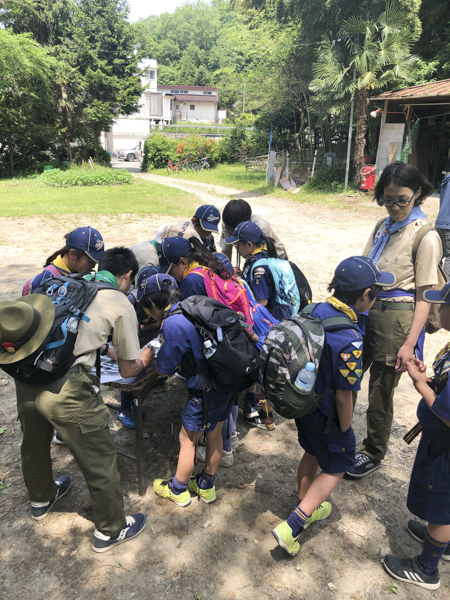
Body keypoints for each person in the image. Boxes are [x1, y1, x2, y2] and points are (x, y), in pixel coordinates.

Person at [0, 247, 153, 553]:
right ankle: (111, 529)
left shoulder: (66, 281)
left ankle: (41, 498)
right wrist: (145, 358)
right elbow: (127, 368)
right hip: (67, 388)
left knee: (34, 441)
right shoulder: (119, 301)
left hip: (27, 375)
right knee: (98, 453)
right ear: (127, 276)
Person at [272, 256, 395, 556]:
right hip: (327, 414)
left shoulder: (315, 309)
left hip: (303, 403)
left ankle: (306, 501)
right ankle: (292, 528)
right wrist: (345, 429)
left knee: (312, 451)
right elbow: (344, 396)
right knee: (337, 467)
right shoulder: (350, 338)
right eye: (375, 293)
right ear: (365, 295)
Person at [347, 162, 443, 479]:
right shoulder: (383, 226)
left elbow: (424, 298)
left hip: (398, 319)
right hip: (368, 312)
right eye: (388, 199)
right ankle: (339, 432)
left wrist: (409, 343)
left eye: (402, 199)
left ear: (418, 194)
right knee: (347, 374)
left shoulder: (425, 236)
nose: (395, 206)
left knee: (380, 390)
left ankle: (373, 451)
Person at [140, 273, 234, 506]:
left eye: (147, 309)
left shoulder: (173, 323)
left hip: (203, 391)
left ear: (152, 303)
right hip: (226, 381)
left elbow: (163, 369)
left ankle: (178, 489)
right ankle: (206, 486)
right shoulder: (193, 305)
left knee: (187, 439)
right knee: (215, 435)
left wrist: (153, 354)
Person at [382, 281, 450, 591]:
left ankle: (427, 569)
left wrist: (420, 384)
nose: (437, 310)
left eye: (443, 305)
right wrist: (432, 379)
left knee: (442, 503)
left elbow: (448, 415)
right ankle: (443, 542)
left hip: (445, 447)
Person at [117, 265, 162, 429]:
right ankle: (124, 408)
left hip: (147, 337)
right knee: (131, 373)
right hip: (131, 340)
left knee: (146, 370)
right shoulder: (130, 300)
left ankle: (134, 402)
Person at [226, 221, 297, 322]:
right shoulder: (261, 253)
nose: (237, 249)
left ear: (249, 244)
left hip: (269, 321)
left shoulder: (259, 269)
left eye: (238, 245)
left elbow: (262, 302)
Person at [130, 205, 221, 272]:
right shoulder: (185, 236)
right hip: (148, 254)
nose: (207, 233)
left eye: (211, 230)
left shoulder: (208, 238)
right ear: (194, 221)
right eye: (204, 229)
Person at [23, 226, 104, 295]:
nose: (94, 266)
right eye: (90, 262)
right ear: (72, 254)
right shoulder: (49, 278)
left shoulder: (85, 273)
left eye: (96, 262)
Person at [158, 236, 232, 299]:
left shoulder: (191, 281)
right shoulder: (206, 265)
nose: (170, 276)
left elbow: (185, 315)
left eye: (170, 272)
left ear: (183, 262)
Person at [219, 199, 287, 261]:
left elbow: (258, 257)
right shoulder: (227, 224)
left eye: (233, 231)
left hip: (274, 258)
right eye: (228, 229)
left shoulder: (260, 227)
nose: (230, 233)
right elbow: (226, 251)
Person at [435, 172, 450, 279]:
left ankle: (433, 283)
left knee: (438, 255)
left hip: (440, 222)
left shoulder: (447, 180)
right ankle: (445, 287)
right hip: (448, 224)